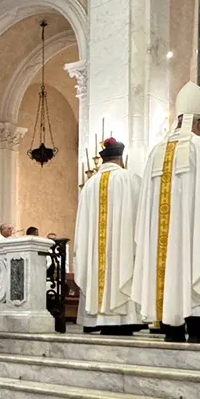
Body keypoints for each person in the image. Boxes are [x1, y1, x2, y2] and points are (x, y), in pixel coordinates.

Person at [132, 82, 200, 343]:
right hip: (193, 231)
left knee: (167, 270)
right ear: (199, 122)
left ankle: (172, 328)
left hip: (161, 237)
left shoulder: (155, 151)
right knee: (196, 264)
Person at [74, 138, 142, 335]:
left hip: (95, 249)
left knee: (97, 271)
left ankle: (98, 318)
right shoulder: (130, 179)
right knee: (121, 269)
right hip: (123, 245)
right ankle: (123, 319)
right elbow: (141, 214)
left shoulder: (90, 184)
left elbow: (82, 223)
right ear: (120, 158)